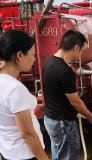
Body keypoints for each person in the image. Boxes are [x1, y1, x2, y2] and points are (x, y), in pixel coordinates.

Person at [42, 29, 92, 160]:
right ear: (76, 47)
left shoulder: (49, 62)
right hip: (64, 125)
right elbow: (75, 102)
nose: (80, 54)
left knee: (58, 155)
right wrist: (90, 116)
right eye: (81, 50)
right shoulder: (65, 70)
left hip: (51, 120)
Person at [0, 29, 49, 160]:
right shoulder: (14, 88)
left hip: (8, 151)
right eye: (32, 54)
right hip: (25, 154)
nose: (34, 59)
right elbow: (27, 133)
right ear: (20, 55)